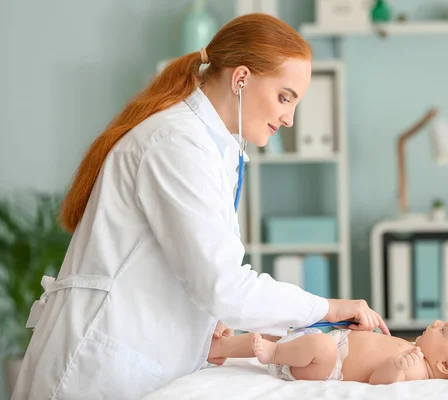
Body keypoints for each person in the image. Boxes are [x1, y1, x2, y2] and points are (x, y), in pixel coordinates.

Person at [11, 13, 389, 400]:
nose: (289, 119)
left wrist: (208, 319)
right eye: (284, 97)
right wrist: (327, 308)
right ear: (241, 79)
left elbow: (196, 271)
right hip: (95, 369)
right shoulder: (175, 144)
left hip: (133, 361)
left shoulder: (211, 148)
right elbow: (223, 285)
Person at [208, 317, 448, 384]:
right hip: (330, 344)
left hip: (325, 365)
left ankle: (271, 355)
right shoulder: (418, 351)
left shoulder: (415, 368)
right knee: (282, 331)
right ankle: (221, 348)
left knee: (312, 345)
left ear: (447, 366)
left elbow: (379, 382)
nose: (436, 322)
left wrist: (397, 366)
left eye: (444, 330)